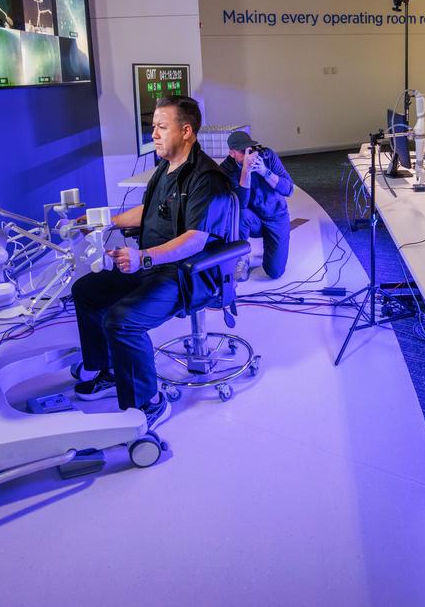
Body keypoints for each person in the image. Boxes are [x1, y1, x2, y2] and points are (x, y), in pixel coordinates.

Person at [70, 95, 237, 427]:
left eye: (162, 127)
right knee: (86, 291)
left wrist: (142, 257)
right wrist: (108, 222)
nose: (154, 135)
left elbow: (195, 240)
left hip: (187, 274)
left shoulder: (207, 179)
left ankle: (148, 404)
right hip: (151, 265)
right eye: (153, 128)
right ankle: (107, 370)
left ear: (186, 131)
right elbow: (151, 211)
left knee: (122, 320)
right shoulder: (165, 167)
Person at [220, 130, 294, 279]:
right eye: (243, 152)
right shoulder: (227, 169)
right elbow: (241, 204)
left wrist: (265, 172)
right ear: (232, 153)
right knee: (237, 213)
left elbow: (289, 189)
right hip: (252, 219)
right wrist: (245, 172)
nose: (250, 155)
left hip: (276, 216)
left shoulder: (267, 156)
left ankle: (270, 246)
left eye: (251, 149)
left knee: (275, 272)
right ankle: (241, 256)